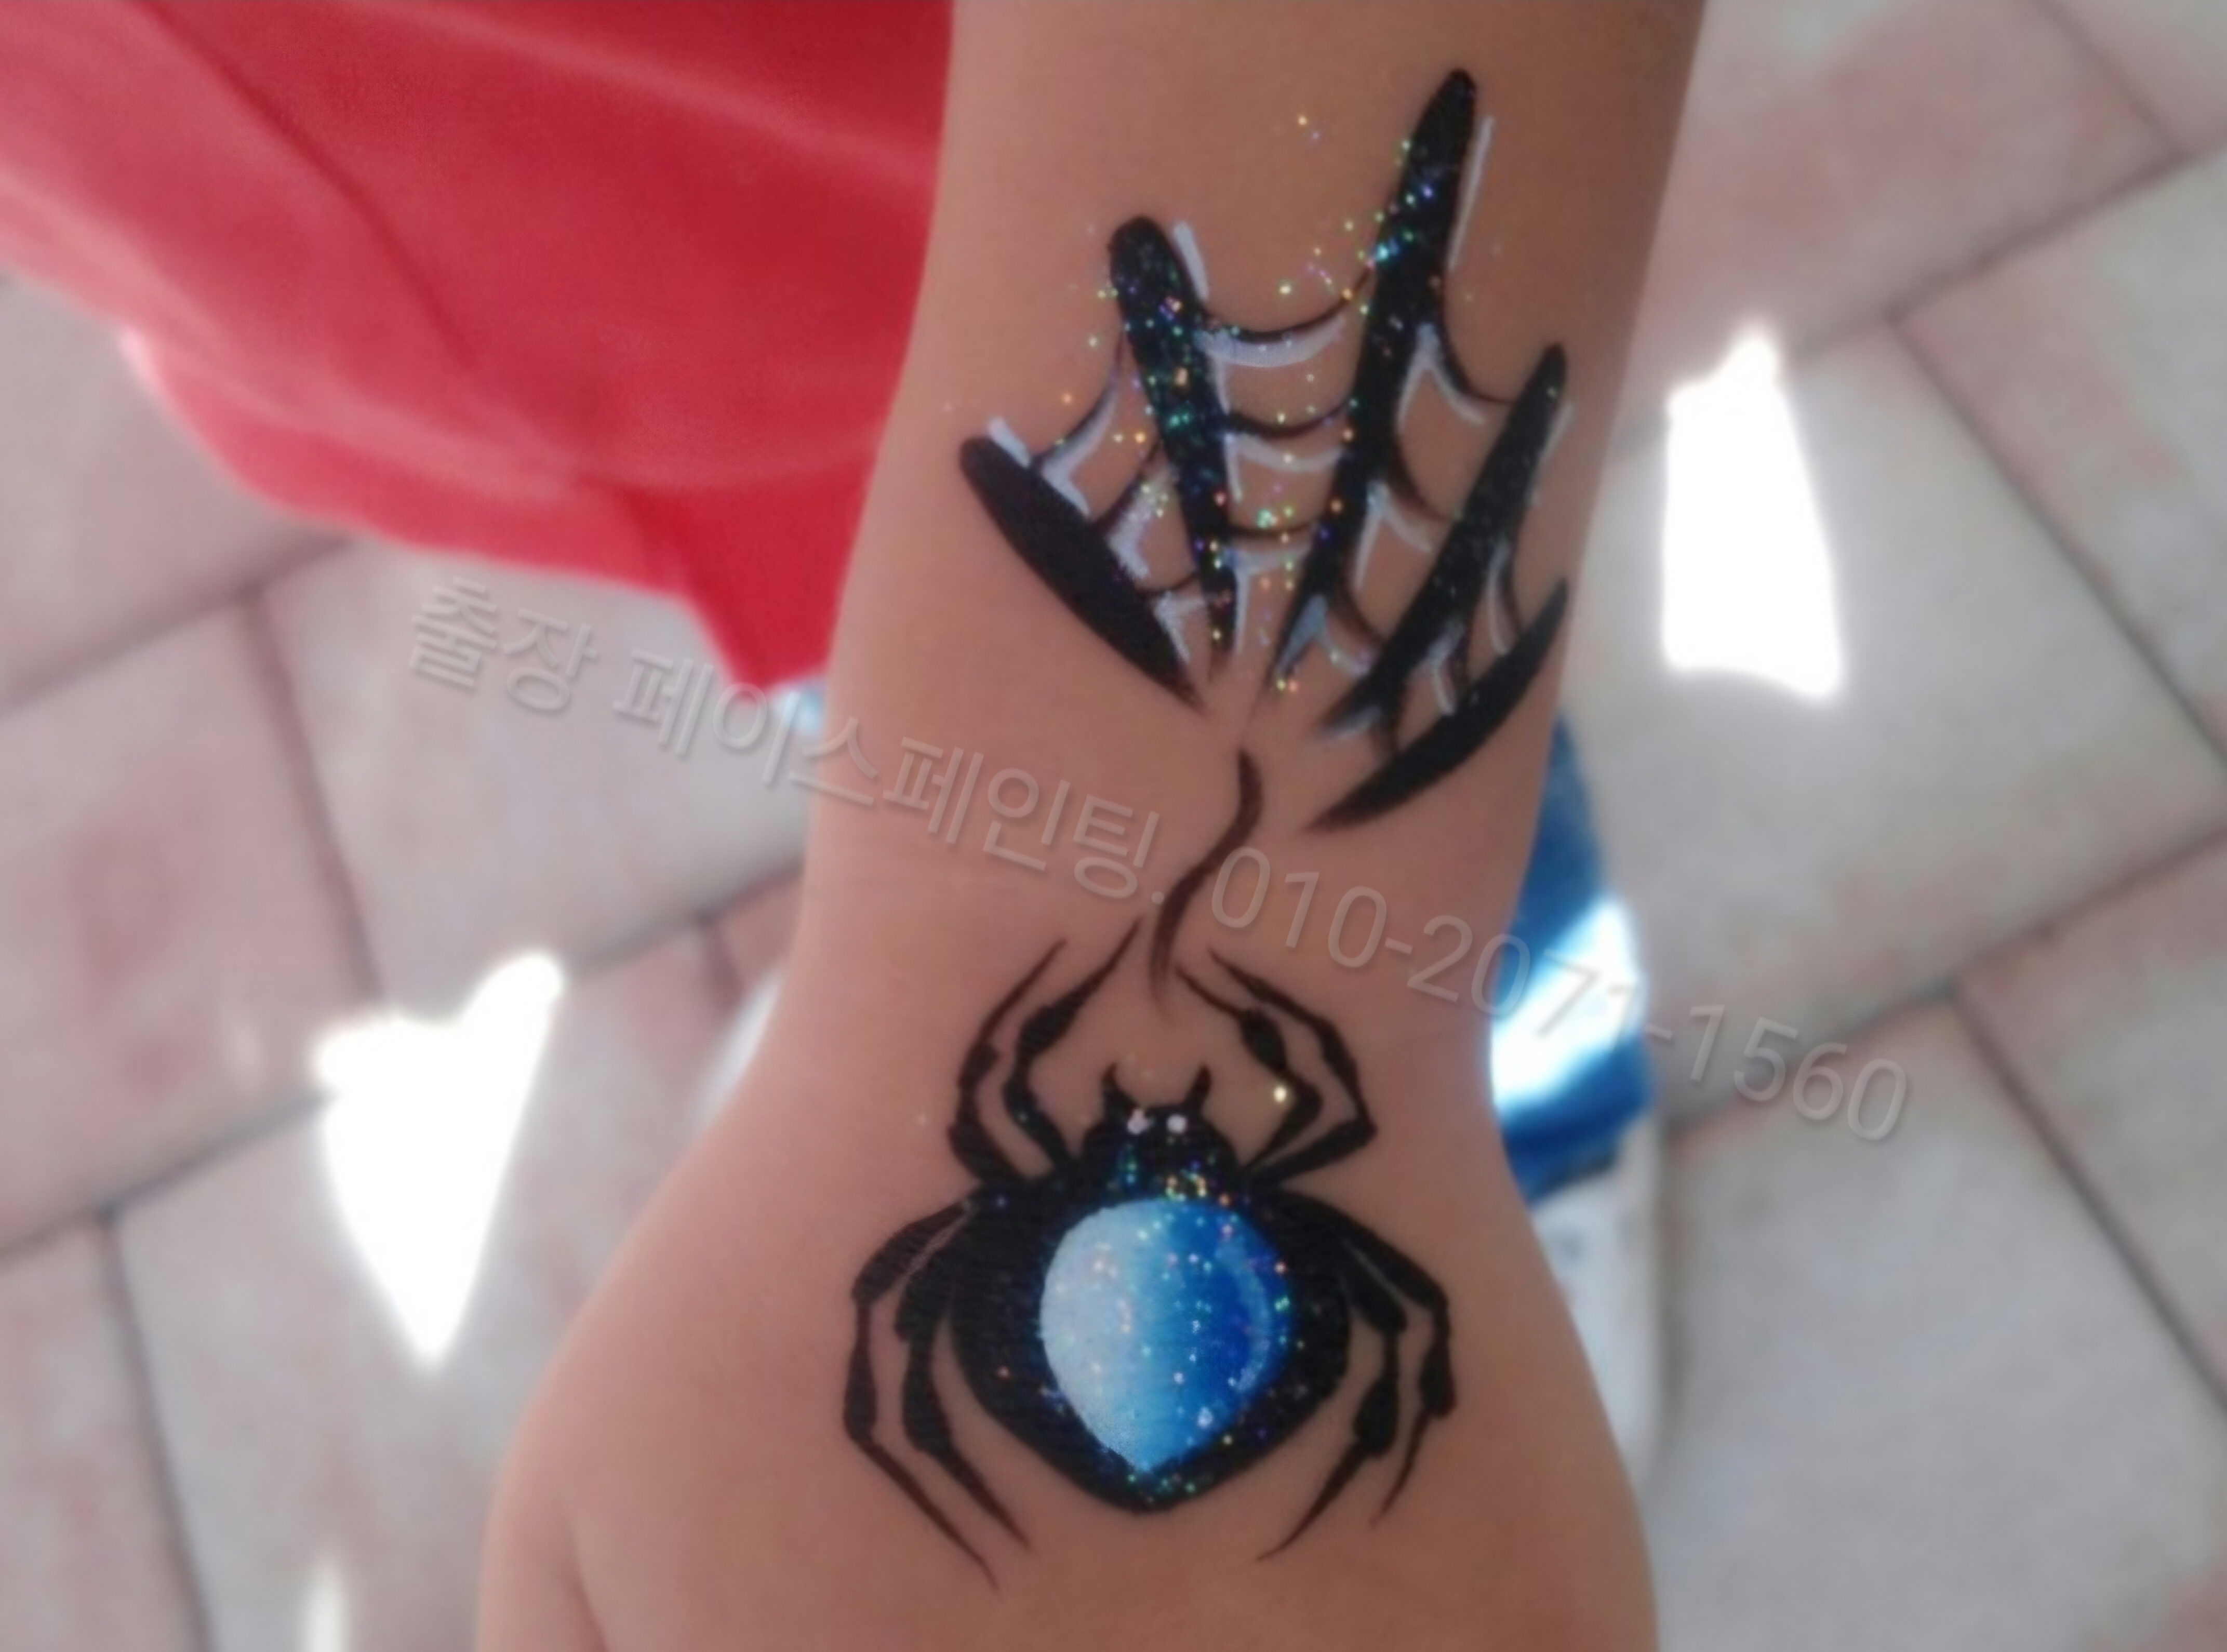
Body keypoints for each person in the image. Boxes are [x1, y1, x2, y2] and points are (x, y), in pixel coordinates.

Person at [0, 5, 1702, 1647]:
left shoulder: (1029, 1157)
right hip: (444, 308)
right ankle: (867, 956)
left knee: (1376, 861)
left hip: (996, 237)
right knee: (864, 705)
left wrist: (955, 962)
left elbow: (959, 1252)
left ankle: (1545, 1123)